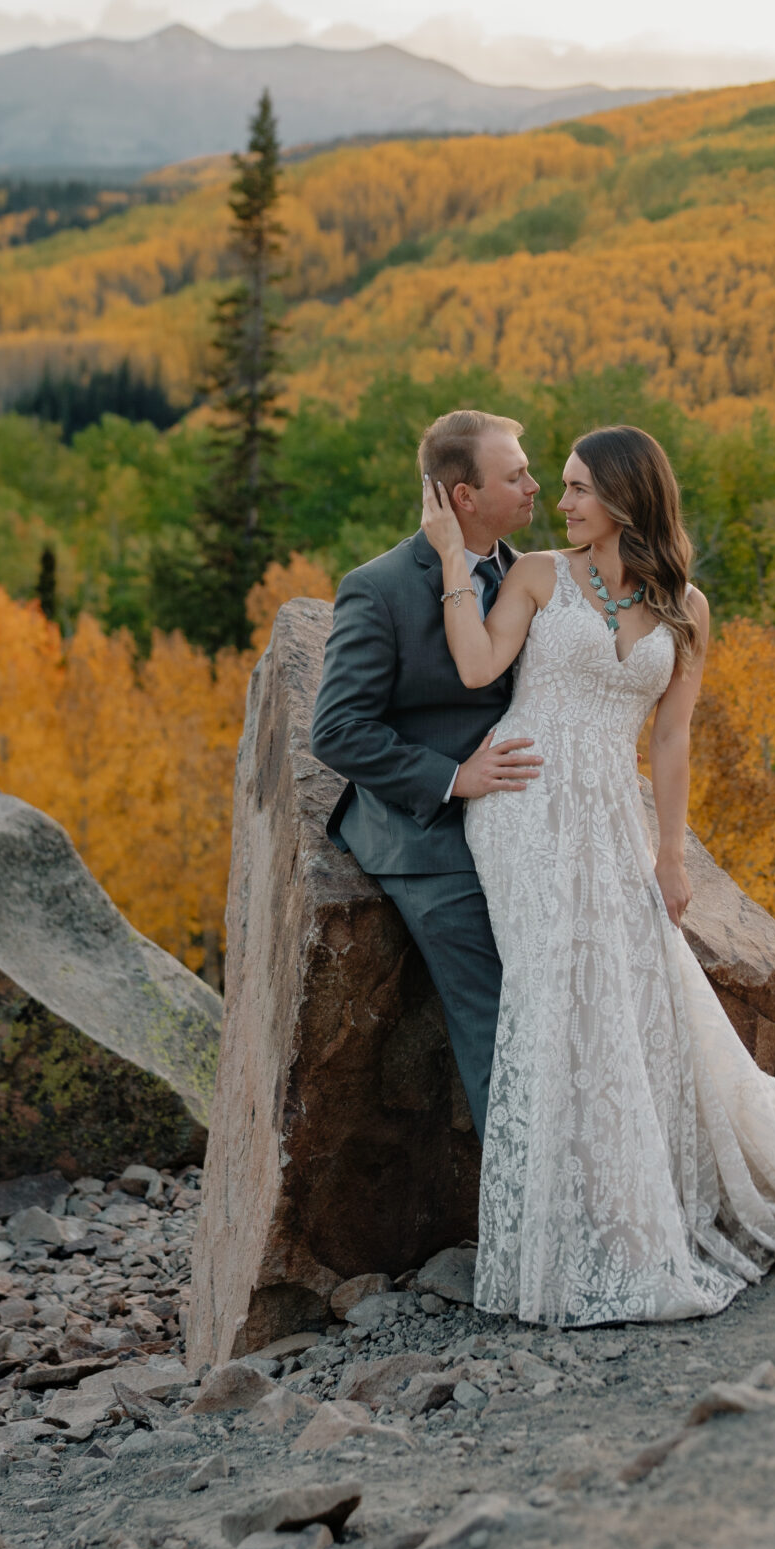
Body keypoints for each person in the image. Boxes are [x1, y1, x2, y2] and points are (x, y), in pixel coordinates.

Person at [420, 423, 775, 1327]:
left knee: (629, 996)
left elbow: (672, 739)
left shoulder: (685, 605)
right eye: (555, 486)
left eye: (575, 489)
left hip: (611, 811)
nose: (558, 504)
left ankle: (641, 1209)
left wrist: (671, 855)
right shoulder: (534, 575)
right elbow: (478, 663)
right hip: (522, 806)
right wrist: (456, 558)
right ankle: (561, 1234)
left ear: (623, 496)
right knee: (553, 992)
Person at [309, 408, 542, 1137]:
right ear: (463, 497)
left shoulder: (524, 574)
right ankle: (521, 1228)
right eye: (515, 474)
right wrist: (454, 778)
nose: (534, 486)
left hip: (522, 822)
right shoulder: (378, 587)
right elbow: (338, 729)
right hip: (427, 841)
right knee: (500, 1020)